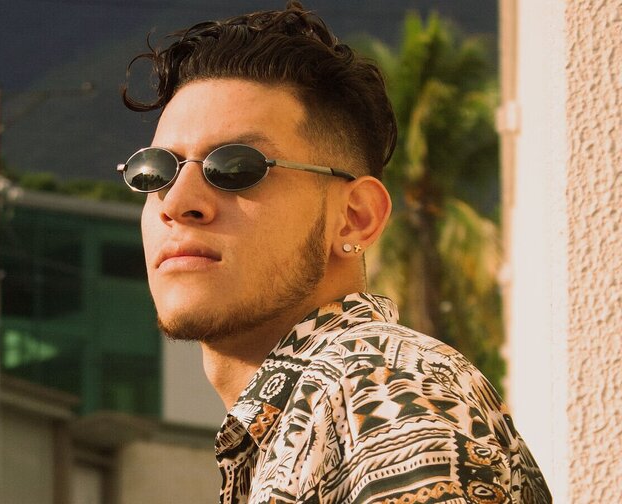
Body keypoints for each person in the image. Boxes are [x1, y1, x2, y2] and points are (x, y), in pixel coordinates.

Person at [116, 2, 551, 503]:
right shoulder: (314, 415)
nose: (176, 202)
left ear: (356, 217)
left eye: (236, 167)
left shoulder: (381, 392)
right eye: (156, 171)